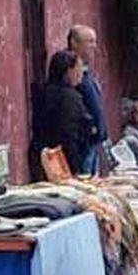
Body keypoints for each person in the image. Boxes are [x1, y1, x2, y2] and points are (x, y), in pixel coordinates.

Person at [33, 50, 93, 177]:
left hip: (43, 156)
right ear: (68, 71)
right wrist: (73, 166)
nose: (81, 73)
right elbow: (68, 133)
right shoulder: (69, 97)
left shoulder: (44, 92)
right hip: (62, 161)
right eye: (78, 68)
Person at [67, 25, 107, 176]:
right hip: (84, 145)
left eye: (95, 42)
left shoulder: (86, 72)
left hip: (94, 143)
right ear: (74, 43)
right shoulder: (70, 72)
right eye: (89, 42)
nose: (94, 47)